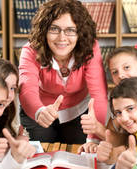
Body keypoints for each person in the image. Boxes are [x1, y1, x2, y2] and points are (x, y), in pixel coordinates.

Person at [18, 0, 108, 144]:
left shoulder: (90, 48)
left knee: (77, 154)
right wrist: (39, 111)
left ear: (80, 32)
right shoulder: (30, 50)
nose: (62, 38)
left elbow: (99, 94)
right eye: (54, 29)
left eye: (70, 30)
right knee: (42, 154)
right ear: (44, 30)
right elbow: (26, 88)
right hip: (40, 110)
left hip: (77, 109)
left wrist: (94, 137)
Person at [79, 45, 137, 152]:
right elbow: (119, 141)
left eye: (126, 67)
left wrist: (99, 130)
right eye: (115, 72)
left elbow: (136, 147)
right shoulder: (120, 102)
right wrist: (95, 144)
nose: (121, 75)